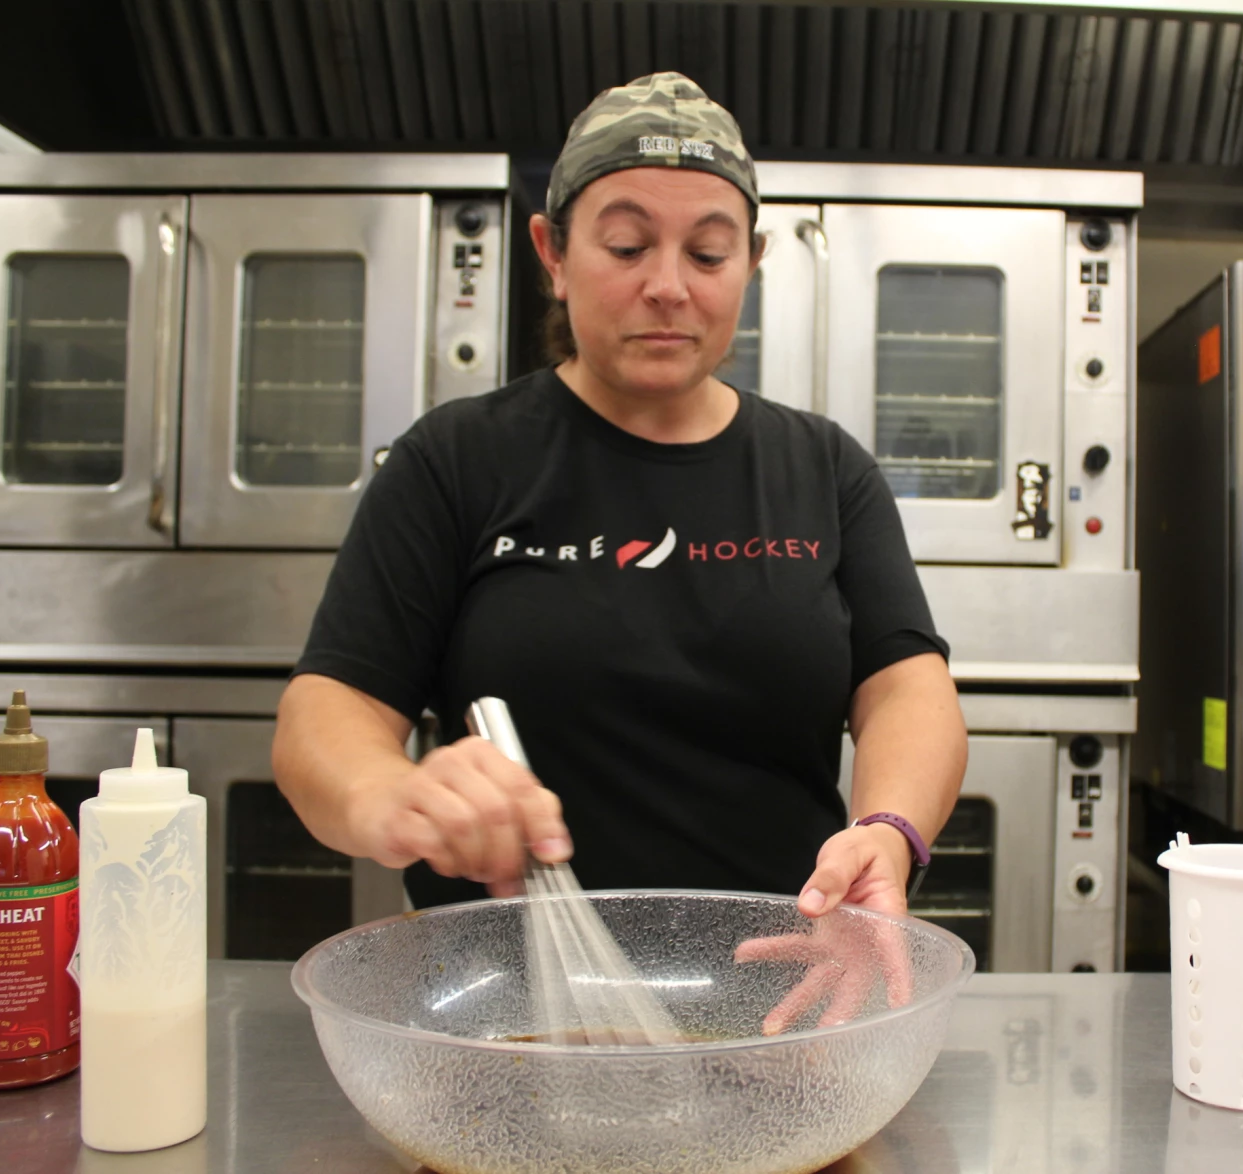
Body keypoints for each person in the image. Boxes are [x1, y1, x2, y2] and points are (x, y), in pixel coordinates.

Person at [272, 72, 967, 931]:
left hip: (777, 995)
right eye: (629, 247)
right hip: (512, 1000)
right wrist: (392, 794)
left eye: (708, 253)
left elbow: (907, 690)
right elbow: (327, 711)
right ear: (554, 254)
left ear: (751, 262)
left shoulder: (823, 469)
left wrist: (888, 828)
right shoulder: (456, 460)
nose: (669, 286)